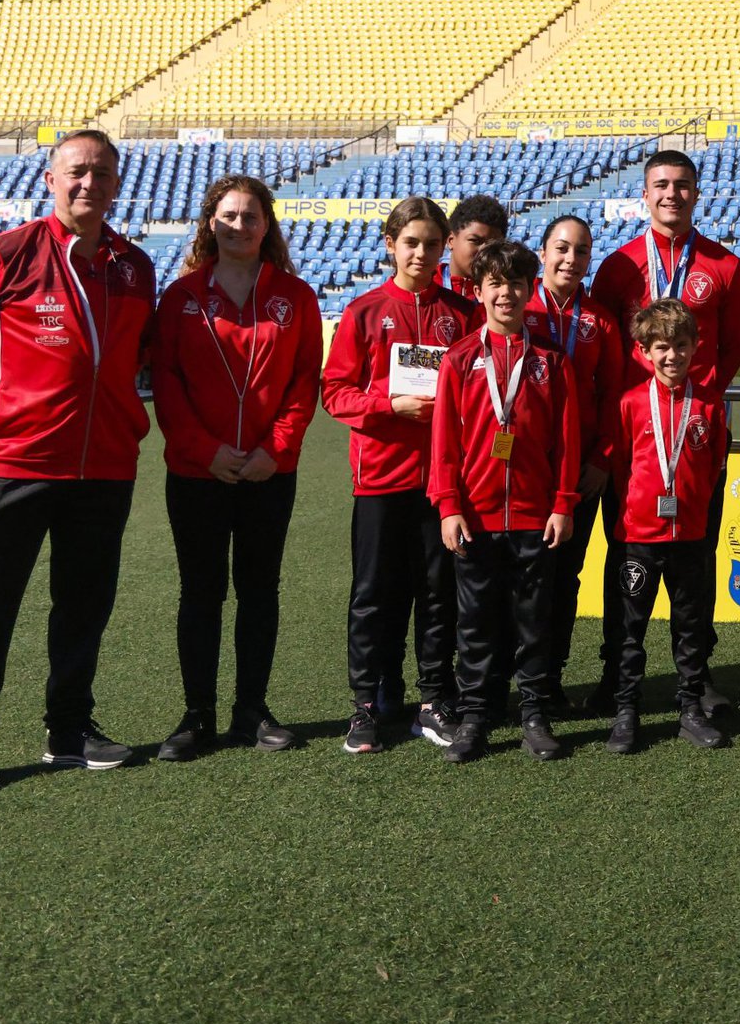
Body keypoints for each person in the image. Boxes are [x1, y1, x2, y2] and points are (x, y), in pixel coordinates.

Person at [0, 129, 157, 800]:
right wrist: (5, 414)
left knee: (84, 607)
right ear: (50, 179)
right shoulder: (3, 254)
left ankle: (67, 730)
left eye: (103, 174)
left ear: (117, 185)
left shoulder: (133, 266)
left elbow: (136, 353)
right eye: (77, 172)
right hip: (13, 467)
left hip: (105, 468)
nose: (89, 183)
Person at [150, 174, 323, 762]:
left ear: (267, 225)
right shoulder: (180, 298)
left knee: (259, 591)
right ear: (210, 224)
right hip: (199, 473)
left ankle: (251, 710)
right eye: (228, 216)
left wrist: (274, 449)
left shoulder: (296, 297)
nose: (240, 226)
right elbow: (166, 385)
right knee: (200, 592)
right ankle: (197, 715)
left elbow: (304, 383)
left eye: (251, 216)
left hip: (268, 473)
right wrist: (206, 450)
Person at [587, 150, 740, 715]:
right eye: (661, 185)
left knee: (696, 560)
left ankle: (697, 673)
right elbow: (605, 349)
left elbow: (730, 349)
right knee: (623, 554)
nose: (671, 195)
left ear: (697, 192)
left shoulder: (725, 265)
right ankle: (617, 671)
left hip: (695, 439)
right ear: (645, 193)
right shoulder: (618, 267)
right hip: (635, 439)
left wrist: (696, 406)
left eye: (682, 185)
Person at [320, 196, 477, 754]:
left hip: (442, 483)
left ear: (445, 248)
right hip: (381, 479)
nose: (421, 252)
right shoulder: (364, 312)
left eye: (432, 244)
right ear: (391, 244)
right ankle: (366, 705)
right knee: (373, 595)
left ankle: (433, 700)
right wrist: (391, 406)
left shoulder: (462, 314)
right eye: (411, 242)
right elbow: (334, 393)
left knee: (438, 594)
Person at [429, 240, 579, 764]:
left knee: (534, 618)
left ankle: (533, 714)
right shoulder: (460, 359)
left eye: (516, 283)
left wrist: (563, 503)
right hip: (475, 515)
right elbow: (444, 441)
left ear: (529, 289)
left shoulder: (552, 363)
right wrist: (449, 505)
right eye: (495, 283)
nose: (506, 293)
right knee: (475, 622)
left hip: (537, 516)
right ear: (479, 290)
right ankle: (475, 716)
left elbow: (568, 441)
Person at [601, 301, 733, 753]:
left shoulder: (710, 405)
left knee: (691, 626)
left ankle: (691, 710)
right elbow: (620, 468)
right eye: (662, 347)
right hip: (637, 538)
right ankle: (626, 712)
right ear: (643, 352)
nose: (672, 356)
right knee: (628, 627)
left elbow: (716, 465)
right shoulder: (630, 403)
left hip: (691, 538)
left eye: (680, 345)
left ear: (696, 347)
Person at [523, 214, 623, 720]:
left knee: (564, 578)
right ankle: (504, 679)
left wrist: (602, 460)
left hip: (577, 476)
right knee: (517, 579)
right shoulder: (514, 308)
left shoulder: (600, 321)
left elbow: (612, 399)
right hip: (519, 474)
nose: (570, 259)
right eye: (561, 248)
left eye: (581, 251)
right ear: (542, 252)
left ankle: (550, 679)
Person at [442, 194, 508, 296]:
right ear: (451, 241)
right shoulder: (423, 286)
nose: (484, 251)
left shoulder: (507, 296)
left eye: (493, 244)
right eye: (475, 241)